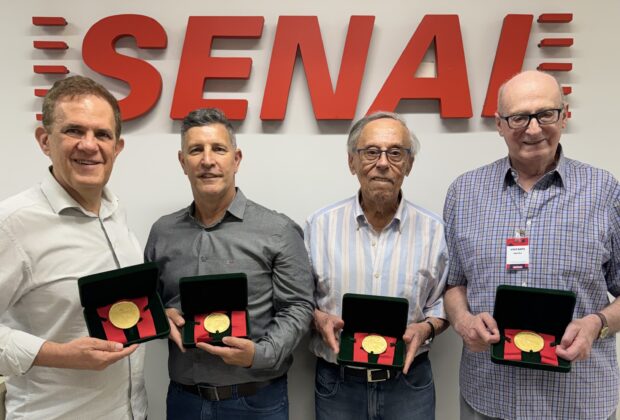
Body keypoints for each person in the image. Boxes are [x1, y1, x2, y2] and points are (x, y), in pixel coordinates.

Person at [444, 70, 620, 419]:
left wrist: (596, 324)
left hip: (579, 401)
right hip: (490, 399)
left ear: (564, 116)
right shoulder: (464, 192)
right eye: (519, 117)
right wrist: (463, 321)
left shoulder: (605, 192)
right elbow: (454, 284)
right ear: (499, 124)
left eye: (545, 114)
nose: (534, 129)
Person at [145, 108, 315, 419]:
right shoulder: (162, 232)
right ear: (182, 162)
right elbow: (148, 302)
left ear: (236, 159)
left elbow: (299, 306)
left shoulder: (278, 230)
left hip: (256, 401)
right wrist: (160, 316)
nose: (207, 160)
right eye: (196, 150)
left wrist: (260, 354)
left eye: (218, 149)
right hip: (184, 401)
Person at [0, 76, 146, 419]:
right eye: (74, 131)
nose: (89, 145)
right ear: (45, 140)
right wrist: (59, 354)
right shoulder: (12, 224)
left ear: (117, 147)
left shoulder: (115, 213)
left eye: (102, 134)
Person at [305, 111, 449, 420]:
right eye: (371, 152)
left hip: (408, 383)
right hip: (338, 383)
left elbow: (443, 303)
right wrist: (317, 318)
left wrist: (426, 327)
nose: (383, 163)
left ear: (408, 164)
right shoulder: (319, 226)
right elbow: (300, 298)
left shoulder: (435, 231)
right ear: (352, 162)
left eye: (395, 153)